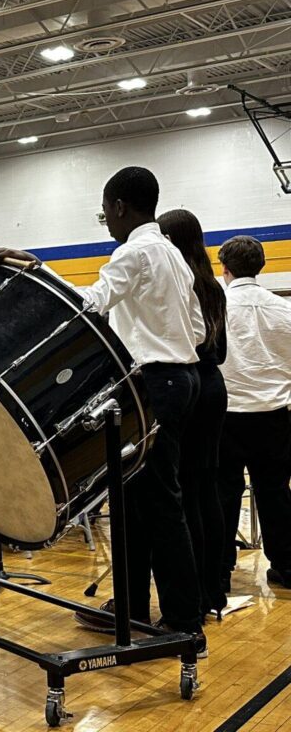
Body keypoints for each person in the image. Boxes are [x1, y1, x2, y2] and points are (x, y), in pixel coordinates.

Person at [0, 166, 206, 649]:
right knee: (134, 502)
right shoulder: (172, 253)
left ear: (119, 207)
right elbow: (198, 329)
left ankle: (185, 622)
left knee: (159, 505)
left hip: (156, 382)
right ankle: (130, 607)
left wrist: (37, 270)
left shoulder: (134, 252)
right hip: (180, 378)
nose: (106, 222)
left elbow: (87, 305)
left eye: (105, 213)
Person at [158, 209, 229, 618]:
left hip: (188, 386)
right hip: (214, 388)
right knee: (207, 489)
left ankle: (196, 595)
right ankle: (214, 588)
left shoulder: (178, 282)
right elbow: (220, 352)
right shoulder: (212, 285)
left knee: (185, 494)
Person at [215, 236, 291, 593]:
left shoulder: (215, 308)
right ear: (261, 266)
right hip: (274, 415)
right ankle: (286, 566)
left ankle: (220, 571)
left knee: (223, 495)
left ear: (224, 268)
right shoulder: (283, 308)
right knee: (275, 493)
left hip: (227, 415)